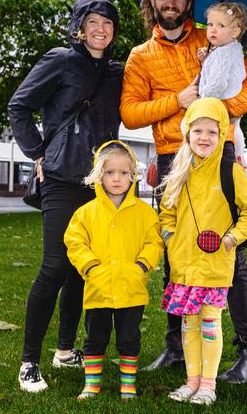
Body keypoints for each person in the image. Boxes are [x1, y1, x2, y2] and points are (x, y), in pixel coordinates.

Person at [121, 0, 247, 383]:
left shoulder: (214, 37)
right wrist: (176, 100)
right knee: (174, 253)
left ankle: (245, 352)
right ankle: (175, 345)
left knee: (229, 254)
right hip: (172, 160)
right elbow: (130, 114)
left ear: (188, 2)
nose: (172, 2)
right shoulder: (139, 56)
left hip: (217, 158)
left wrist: (225, 113)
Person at [7, 0, 123, 392]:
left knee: (81, 270)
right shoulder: (60, 60)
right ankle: (28, 362)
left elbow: (148, 101)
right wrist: (38, 152)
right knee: (55, 266)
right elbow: (19, 106)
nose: (101, 29)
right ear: (79, 26)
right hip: (59, 177)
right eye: (93, 21)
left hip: (101, 184)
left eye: (108, 23)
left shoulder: (117, 71)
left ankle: (64, 349)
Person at [159, 98, 247, 405]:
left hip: (215, 265)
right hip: (183, 265)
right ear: (187, 133)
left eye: (212, 131)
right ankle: (191, 382)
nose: (204, 138)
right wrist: (170, 237)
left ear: (222, 135)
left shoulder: (230, 172)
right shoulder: (179, 171)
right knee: (188, 324)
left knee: (210, 322)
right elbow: (166, 213)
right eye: (197, 131)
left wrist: (233, 238)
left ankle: (208, 385)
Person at [64, 140, 163, 400]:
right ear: (99, 175)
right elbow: (74, 242)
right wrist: (90, 266)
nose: (116, 178)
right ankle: (91, 384)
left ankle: (128, 384)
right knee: (94, 337)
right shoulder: (86, 213)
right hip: (98, 287)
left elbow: (154, 242)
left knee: (129, 338)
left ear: (132, 175)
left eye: (122, 172)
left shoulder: (145, 213)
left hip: (131, 288)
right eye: (109, 172)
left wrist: (141, 266)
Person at [196, 1, 247, 166]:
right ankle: (239, 155)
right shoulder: (229, 49)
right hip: (231, 100)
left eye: (220, 25)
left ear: (235, 32)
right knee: (235, 128)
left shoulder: (224, 53)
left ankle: (222, 157)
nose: (213, 29)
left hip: (220, 100)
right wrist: (208, 59)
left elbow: (218, 82)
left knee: (192, 126)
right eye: (210, 24)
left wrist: (202, 99)